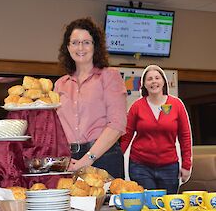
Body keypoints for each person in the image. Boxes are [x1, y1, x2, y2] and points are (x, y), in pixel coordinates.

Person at [54, 17, 127, 178]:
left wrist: (88, 159)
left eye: (86, 42)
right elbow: (56, 128)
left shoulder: (110, 77)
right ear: (68, 47)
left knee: (105, 203)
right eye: (75, 42)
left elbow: (117, 124)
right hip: (70, 160)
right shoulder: (60, 84)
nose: (80, 47)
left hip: (103, 158)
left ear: (96, 46)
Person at [121, 65, 192, 194]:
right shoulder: (137, 106)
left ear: (163, 82)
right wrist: (116, 161)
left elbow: (185, 136)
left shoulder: (177, 105)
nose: (154, 81)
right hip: (140, 166)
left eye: (157, 78)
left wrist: (187, 165)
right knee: (147, 206)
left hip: (169, 167)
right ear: (144, 85)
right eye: (149, 79)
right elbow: (126, 136)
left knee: (167, 207)